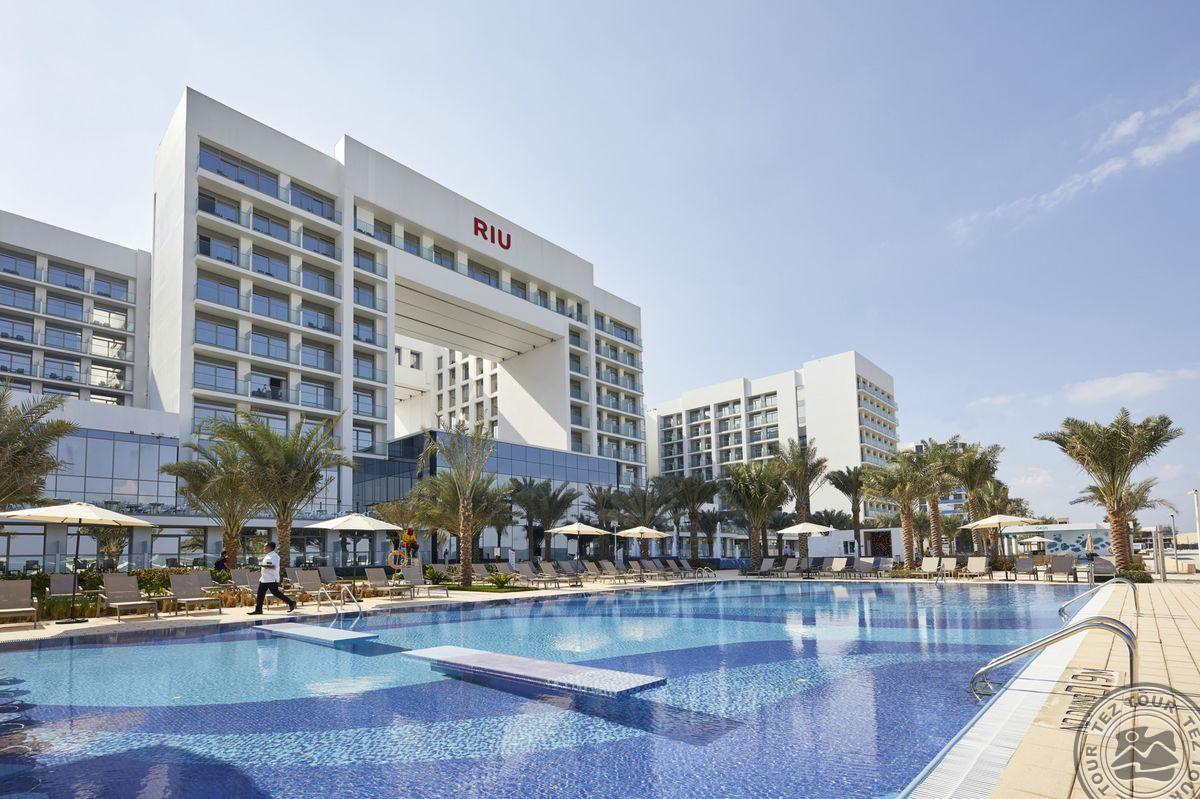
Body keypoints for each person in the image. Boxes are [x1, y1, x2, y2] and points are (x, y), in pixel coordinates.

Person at [247, 541, 295, 615]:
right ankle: (258, 610)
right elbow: (267, 565)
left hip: (271, 578)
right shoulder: (267, 556)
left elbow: (273, 566)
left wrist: (261, 566)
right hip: (264, 579)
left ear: (269, 547)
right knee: (260, 594)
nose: (264, 548)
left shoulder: (274, 556)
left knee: (276, 593)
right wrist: (261, 568)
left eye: (265, 546)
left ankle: (291, 603)